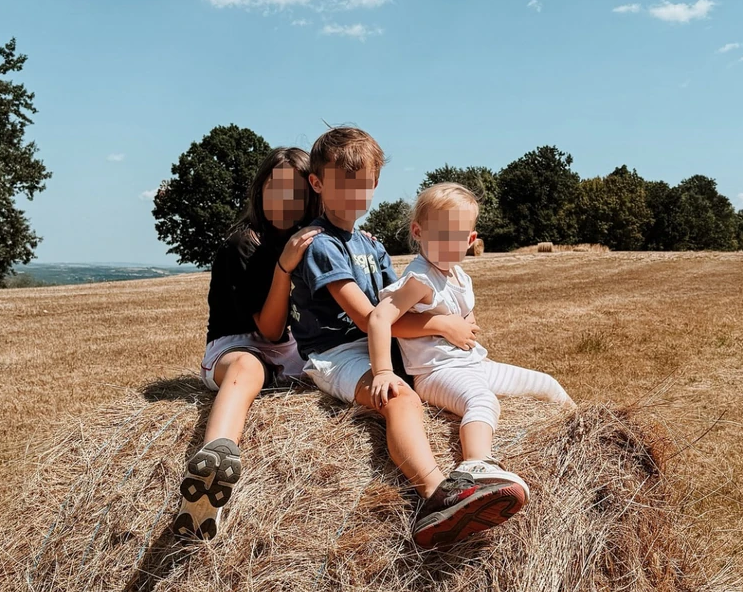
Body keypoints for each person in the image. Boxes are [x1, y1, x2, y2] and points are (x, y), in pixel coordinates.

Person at [290, 127, 528, 549]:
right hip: (337, 353)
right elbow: (369, 319)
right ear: (317, 183)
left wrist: (448, 327)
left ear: (376, 185)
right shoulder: (322, 245)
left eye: (363, 184)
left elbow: (401, 312)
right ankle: (438, 496)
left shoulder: (372, 245)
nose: (354, 194)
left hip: (379, 344)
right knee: (402, 397)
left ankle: (478, 463)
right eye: (343, 184)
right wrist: (438, 327)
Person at [367, 182, 574, 512]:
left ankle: (583, 431)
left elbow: (469, 323)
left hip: (475, 364)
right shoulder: (419, 279)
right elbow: (379, 319)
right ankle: (476, 466)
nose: (449, 243)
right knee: (483, 401)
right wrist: (383, 371)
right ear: (418, 232)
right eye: (441, 234)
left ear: (470, 240)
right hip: (438, 374)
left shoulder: (460, 277)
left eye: (457, 236)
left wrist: (466, 326)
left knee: (546, 383)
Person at [174, 147, 322, 540]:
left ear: (312, 196)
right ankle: (215, 460)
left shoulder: (313, 241)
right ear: (260, 191)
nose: (285, 201)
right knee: (248, 368)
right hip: (236, 345)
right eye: (276, 189)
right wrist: (285, 268)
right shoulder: (245, 244)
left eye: (296, 192)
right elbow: (269, 332)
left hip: (291, 352)